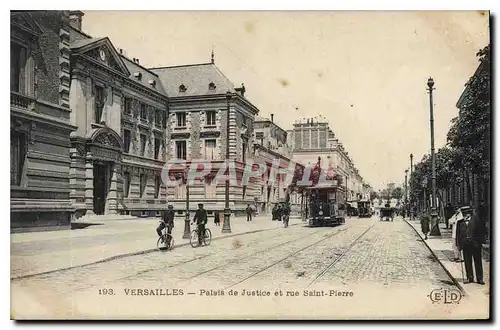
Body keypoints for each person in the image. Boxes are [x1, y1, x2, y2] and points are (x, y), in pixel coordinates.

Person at [456, 207, 486, 285]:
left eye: (466, 214)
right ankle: (470, 278)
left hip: (475, 244)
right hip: (465, 245)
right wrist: (458, 245)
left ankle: (480, 279)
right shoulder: (459, 222)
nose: (465, 215)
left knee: (478, 262)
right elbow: (458, 235)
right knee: (467, 262)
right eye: (464, 214)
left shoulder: (476, 220)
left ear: (469, 214)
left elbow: (481, 232)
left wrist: (481, 242)